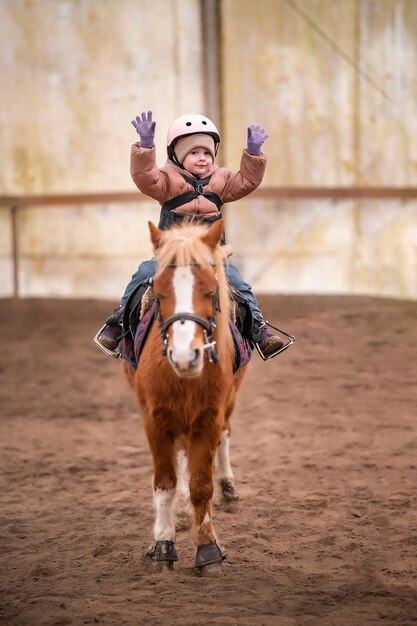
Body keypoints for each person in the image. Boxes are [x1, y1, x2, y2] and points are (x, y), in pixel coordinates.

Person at [96, 111, 284, 357]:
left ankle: (259, 328)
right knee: (144, 272)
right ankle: (119, 322)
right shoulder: (166, 180)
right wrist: (144, 148)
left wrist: (254, 155)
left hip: (211, 255)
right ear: (177, 154)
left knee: (237, 281)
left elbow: (247, 181)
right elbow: (144, 177)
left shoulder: (223, 179)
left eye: (207, 153)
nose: (202, 158)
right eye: (194, 153)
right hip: (173, 254)